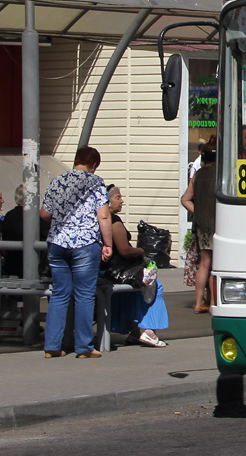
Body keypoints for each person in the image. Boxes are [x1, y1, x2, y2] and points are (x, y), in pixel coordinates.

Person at [39, 146, 113, 359]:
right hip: (84, 244)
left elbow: (45, 213)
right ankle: (84, 347)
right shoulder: (95, 182)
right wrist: (107, 244)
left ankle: (52, 346)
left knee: (59, 294)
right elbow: (104, 217)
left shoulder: (57, 181)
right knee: (84, 295)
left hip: (57, 244)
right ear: (94, 164)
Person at [104, 185, 168, 347]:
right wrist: (141, 251)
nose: (121, 201)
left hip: (108, 270)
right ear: (107, 201)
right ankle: (149, 331)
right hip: (119, 270)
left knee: (132, 290)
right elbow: (124, 250)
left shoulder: (97, 219)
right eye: (117, 197)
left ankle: (134, 332)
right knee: (153, 284)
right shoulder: (113, 221)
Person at [181, 148, 216, 314]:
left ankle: (198, 302)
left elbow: (185, 199)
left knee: (204, 264)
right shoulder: (221, 174)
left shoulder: (198, 175)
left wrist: (198, 210)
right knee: (215, 266)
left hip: (201, 224)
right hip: (217, 223)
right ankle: (213, 303)